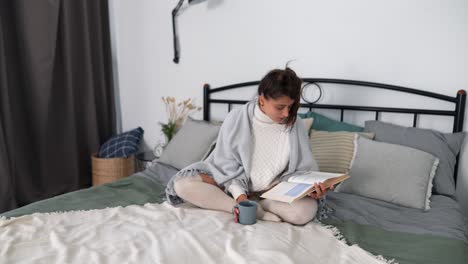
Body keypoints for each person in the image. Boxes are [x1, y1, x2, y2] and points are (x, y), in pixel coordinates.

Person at [165, 67, 332, 225]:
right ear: (262, 100)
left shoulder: (296, 125)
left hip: (274, 192)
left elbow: (302, 171)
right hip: (231, 186)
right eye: (280, 107)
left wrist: (313, 189)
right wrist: (240, 197)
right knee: (182, 185)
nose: (286, 114)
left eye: (291, 107)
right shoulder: (236, 118)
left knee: (303, 212)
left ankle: (264, 205)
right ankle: (240, 207)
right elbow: (227, 167)